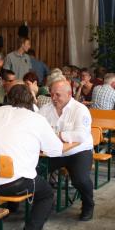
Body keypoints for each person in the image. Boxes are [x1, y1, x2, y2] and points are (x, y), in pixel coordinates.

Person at [0, 85, 76, 230]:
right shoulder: (36, 119)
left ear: (8, 97)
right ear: (32, 100)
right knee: (47, 194)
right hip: (16, 183)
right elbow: (55, 150)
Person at [39, 80, 95, 221]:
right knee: (34, 171)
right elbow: (36, 128)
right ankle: (43, 203)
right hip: (54, 152)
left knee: (80, 180)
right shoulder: (45, 109)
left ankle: (88, 205)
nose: (53, 98)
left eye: (58, 95)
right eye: (52, 94)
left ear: (69, 94)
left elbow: (81, 135)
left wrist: (58, 136)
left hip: (78, 151)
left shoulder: (80, 109)